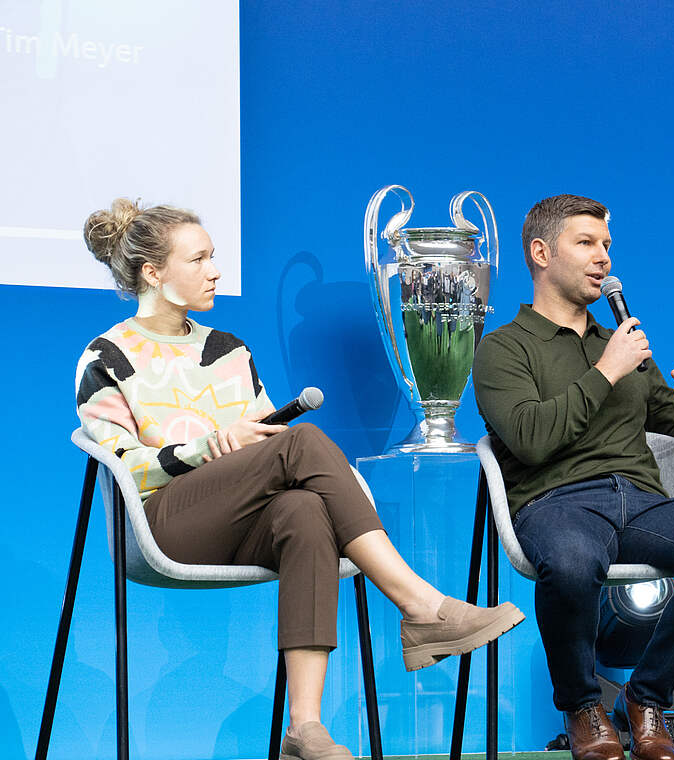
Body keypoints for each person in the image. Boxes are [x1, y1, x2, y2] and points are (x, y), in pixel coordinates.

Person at [76, 198, 524, 760]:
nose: (215, 270)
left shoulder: (229, 350)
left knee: (304, 512)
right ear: (153, 273)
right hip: (162, 521)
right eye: (198, 260)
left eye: (214, 256)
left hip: (238, 516)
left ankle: (304, 729)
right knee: (304, 441)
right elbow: (119, 460)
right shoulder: (107, 354)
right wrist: (204, 447)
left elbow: (266, 450)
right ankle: (418, 604)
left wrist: (247, 442)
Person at [471, 194, 674, 760]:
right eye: (587, 244)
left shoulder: (619, 340)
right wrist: (606, 372)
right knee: (573, 562)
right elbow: (530, 439)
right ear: (541, 252)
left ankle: (645, 698)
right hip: (556, 502)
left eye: (607, 245)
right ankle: (582, 707)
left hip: (643, 500)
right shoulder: (504, 348)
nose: (603, 257)